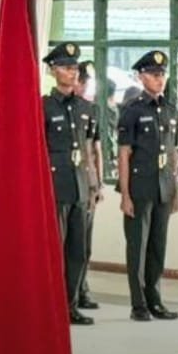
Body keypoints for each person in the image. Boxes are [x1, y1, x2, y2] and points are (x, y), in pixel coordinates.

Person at [117, 50, 178, 321]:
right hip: (140, 187)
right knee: (138, 247)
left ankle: (155, 300)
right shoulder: (132, 110)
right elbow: (124, 154)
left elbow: (173, 153)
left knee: (158, 246)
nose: (159, 79)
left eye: (162, 74)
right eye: (154, 75)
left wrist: (175, 190)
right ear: (141, 77)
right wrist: (125, 194)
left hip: (163, 187)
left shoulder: (170, 109)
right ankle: (139, 304)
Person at [39, 42, 98, 326]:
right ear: (53, 71)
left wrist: (94, 185)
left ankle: (70, 304)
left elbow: (89, 149)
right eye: (65, 67)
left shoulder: (85, 107)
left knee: (78, 250)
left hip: (79, 186)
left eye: (75, 67)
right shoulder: (43, 106)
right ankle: (48, 304)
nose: (72, 72)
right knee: (53, 250)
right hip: (55, 186)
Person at [76, 59, 103, 311]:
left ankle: (81, 288)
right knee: (68, 243)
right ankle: (70, 291)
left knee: (85, 243)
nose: (86, 87)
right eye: (84, 82)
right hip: (68, 183)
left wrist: (99, 183)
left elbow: (96, 149)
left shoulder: (92, 110)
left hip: (88, 183)